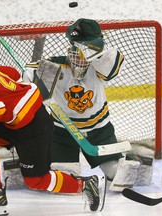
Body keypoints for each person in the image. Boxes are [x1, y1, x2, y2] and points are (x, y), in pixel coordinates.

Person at [0, 56, 107, 216]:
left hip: (33, 126)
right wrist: (14, 99)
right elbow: (12, 73)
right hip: (16, 121)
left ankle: (85, 184)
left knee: (36, 181)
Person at [25, 18, 152, 192]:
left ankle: (132, 160)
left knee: (115, 174)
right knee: (64, 177)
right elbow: (29, 77)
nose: (81, 60)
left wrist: (93, 49)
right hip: (62, 131)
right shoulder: (55, 66)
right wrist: (31, 77)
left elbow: (111, 63)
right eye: (77, 52)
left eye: (87, 53)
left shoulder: (100, 66)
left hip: (99, 129)